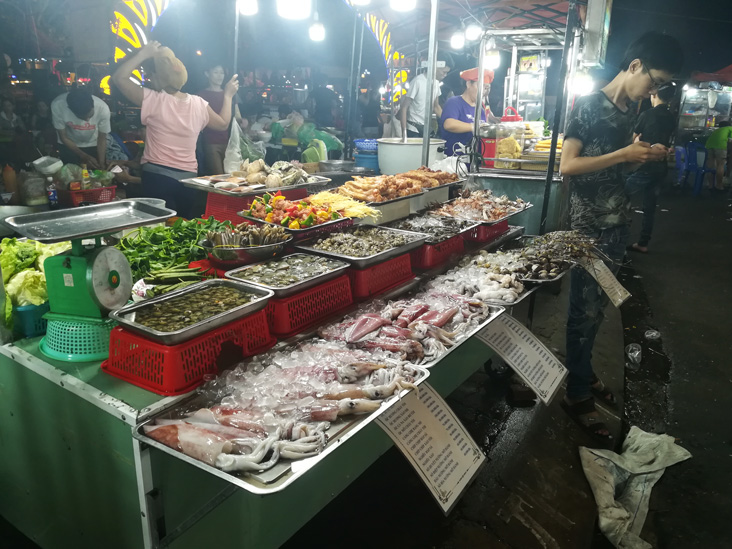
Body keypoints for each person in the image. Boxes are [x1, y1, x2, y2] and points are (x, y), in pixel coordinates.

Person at [559, 32, 683, 443]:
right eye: (655, 81)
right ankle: (576, 395)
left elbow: (618, 175)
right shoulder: (589, 105)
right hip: (587, 230)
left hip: (615, 228)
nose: (655, 91)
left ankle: (582, 372)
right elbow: (569, 167)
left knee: (598, 311)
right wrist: (624, 155)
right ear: (634, 67)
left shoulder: (630, 111)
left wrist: (641, 158)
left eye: (662, 86)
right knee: (583, 311)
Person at [111, 41, 238, 218]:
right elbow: (224, 123)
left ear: (157, 77)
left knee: (159, 231)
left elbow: (119, 78)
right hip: (189, 179)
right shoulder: (198, 103)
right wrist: (228, 95)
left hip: (157, 177)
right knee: (182, 228)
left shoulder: (153, 99)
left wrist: (144, 54)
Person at [625, 82, 677, 253]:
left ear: (654, 95)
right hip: (661, 167)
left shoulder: (647, 114)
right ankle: (643, 243)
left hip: (644, 164)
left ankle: (618, 241)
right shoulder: (671, 117)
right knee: (649, 207)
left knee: (620, 197)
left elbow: (633, 139)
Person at [197, 63, 246, 175]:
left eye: (222, 73)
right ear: (207, 74)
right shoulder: (201, 95)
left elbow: (237, 114)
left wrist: (242, 121)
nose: (220, 76)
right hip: (210, 143)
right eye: (216, 72)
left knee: (231, 175)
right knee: (218, 176)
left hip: (229, 142)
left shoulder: (229, 93)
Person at [440, 67, 499, 156]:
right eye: (481, 86)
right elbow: (449, 124)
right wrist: (475, 127)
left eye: (487, 88)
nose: (484, 91)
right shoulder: (454, 102)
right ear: (468, 84)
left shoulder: (481, 110)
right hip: (455, 161)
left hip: (476, 161)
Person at [51, 87, 111, 168]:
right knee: (70, 174)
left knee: (95, 172)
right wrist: (83, 155)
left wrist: (101, 163)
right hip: (68, 145)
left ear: (93, 104)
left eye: (90, 115)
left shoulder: (102, 108)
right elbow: (63, 137)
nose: (87, 120)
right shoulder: (58, 105)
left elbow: (102, 138)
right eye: (82, 118)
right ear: (70, 109)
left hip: (93, 143)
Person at [399, 52, 452, 138]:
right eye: (444, 72)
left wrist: (449, 121)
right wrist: (404, 133)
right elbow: (404, 107)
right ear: (436, 66)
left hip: (425, 128)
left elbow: (436, 106)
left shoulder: (436, 83)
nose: (445, 75)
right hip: (413, 129)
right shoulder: (418, 81)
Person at [704, 120, 732, 191]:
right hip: (720, 147)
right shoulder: (730, 129)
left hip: (708, 146)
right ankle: (719, 185)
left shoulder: (717, 130)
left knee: (710, 166)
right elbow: (730, 141)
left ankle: (710, 185)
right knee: (720, 165)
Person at [0, 98, 26, 165]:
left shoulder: (17, 117)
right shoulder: (1, 117)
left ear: (13, 106)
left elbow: (23, 129)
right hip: (3, 141)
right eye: (4, 105)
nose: (7, 108)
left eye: (9, 105)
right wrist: (9, 133)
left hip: (16, 140)